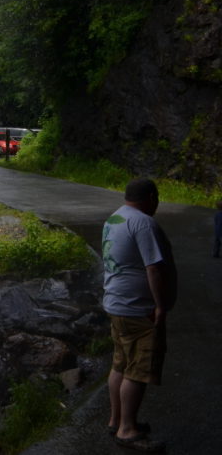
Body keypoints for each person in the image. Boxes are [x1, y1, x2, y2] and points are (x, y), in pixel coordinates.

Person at [102, 179, 176, 453]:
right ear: (151, 197)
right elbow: (154, 268)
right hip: (137, 308)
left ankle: (115, 420)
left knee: (120, 364)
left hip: (116, 304)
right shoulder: (143, 223)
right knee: (138, 369)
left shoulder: (115, 218)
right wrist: (160, 306)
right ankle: (127, 430)